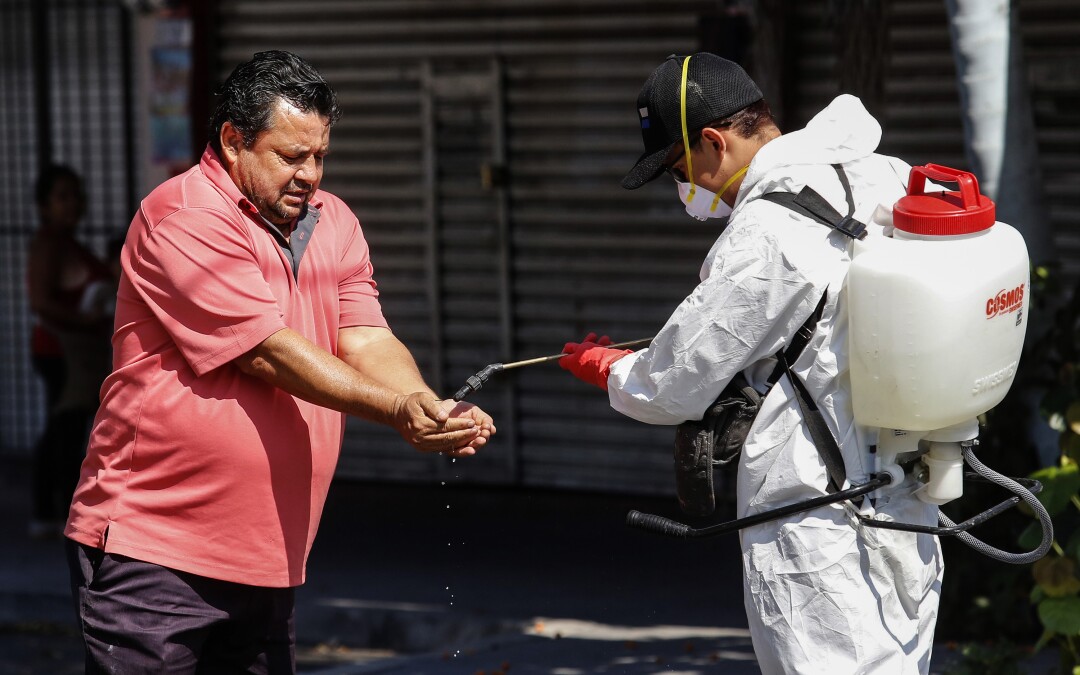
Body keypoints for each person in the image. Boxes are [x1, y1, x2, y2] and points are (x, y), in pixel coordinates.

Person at [65, 50, 495, 674]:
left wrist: (427, 404)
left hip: (270, 555)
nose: (309, 174)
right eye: (291, 157)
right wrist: (397, 411)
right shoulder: (185, 216)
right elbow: (265, 351)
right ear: (234, 142)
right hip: (154, 550)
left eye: (319, 155)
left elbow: (367, 337)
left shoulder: (335, 222)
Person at [558, 53, 942, 673]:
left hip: (818, 523)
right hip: (911, 495)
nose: (690, 188)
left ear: (713, 141)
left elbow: (673, 385)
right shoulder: (882, 175)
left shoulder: (766, 230)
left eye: (682, 169)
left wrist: (610, 370)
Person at [26, 165, 115, 539]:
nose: (73, 203)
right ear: (44, 205)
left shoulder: (70, 242)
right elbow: (41, 301)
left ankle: (52, 508)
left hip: (77, 350)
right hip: (61, 350)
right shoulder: (49, 244)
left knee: (66, 427)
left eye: (76, 194)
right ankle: (54, 508)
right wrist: (86, 318)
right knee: (65, 430)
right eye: (63, 196)